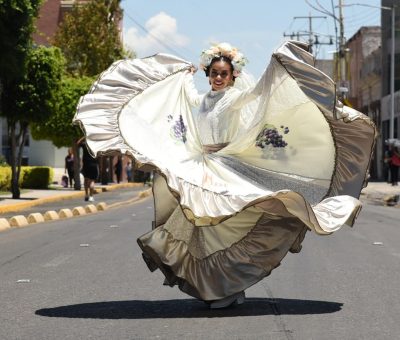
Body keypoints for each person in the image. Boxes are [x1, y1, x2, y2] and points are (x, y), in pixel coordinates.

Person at [74, 41, 377, 308]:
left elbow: (258, 94)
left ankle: (232, 285)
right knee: (200, 228)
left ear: (233, 76)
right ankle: (217, 286)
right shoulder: (203, 99)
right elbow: (187, 97)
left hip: (225, 165)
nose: (218, 78)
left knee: (229, 225)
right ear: (208, 73)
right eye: (213, 73)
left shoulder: (235, 98)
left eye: (223, 73)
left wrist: (276, 67)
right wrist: (180, 74)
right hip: (202, 166)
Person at [77, 137, 98, 202]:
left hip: (86, 164)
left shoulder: (84, 145)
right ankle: (91, 196)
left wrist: (84, 137)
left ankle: (86, 195)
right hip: (94, 164)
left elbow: (78, 143)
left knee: (86, 179)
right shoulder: (96, 146)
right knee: (92, 181)